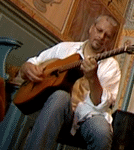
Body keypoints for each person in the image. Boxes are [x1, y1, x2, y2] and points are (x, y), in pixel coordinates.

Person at [19, 14, 121, 150]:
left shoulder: (112, 67)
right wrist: (26, 67)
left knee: (102, 133)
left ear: (111, 41)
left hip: (89, 116)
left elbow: (99, 104)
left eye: (107, 36)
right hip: (59, 110)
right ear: (91, 28)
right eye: (99, 30)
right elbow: (34, 62)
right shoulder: (65, 48)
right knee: (60, 96)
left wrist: (93, 78)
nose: (101, 37)